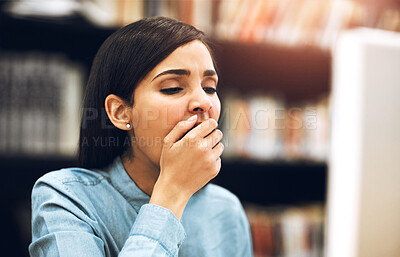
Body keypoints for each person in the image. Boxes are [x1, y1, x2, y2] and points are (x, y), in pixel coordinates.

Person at [29, 16, 253, 257]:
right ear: (120, 112)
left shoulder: (226, 209)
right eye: (173, 88)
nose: (203, 102)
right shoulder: (65, 197)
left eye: (209, 87)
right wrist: (173, 191)